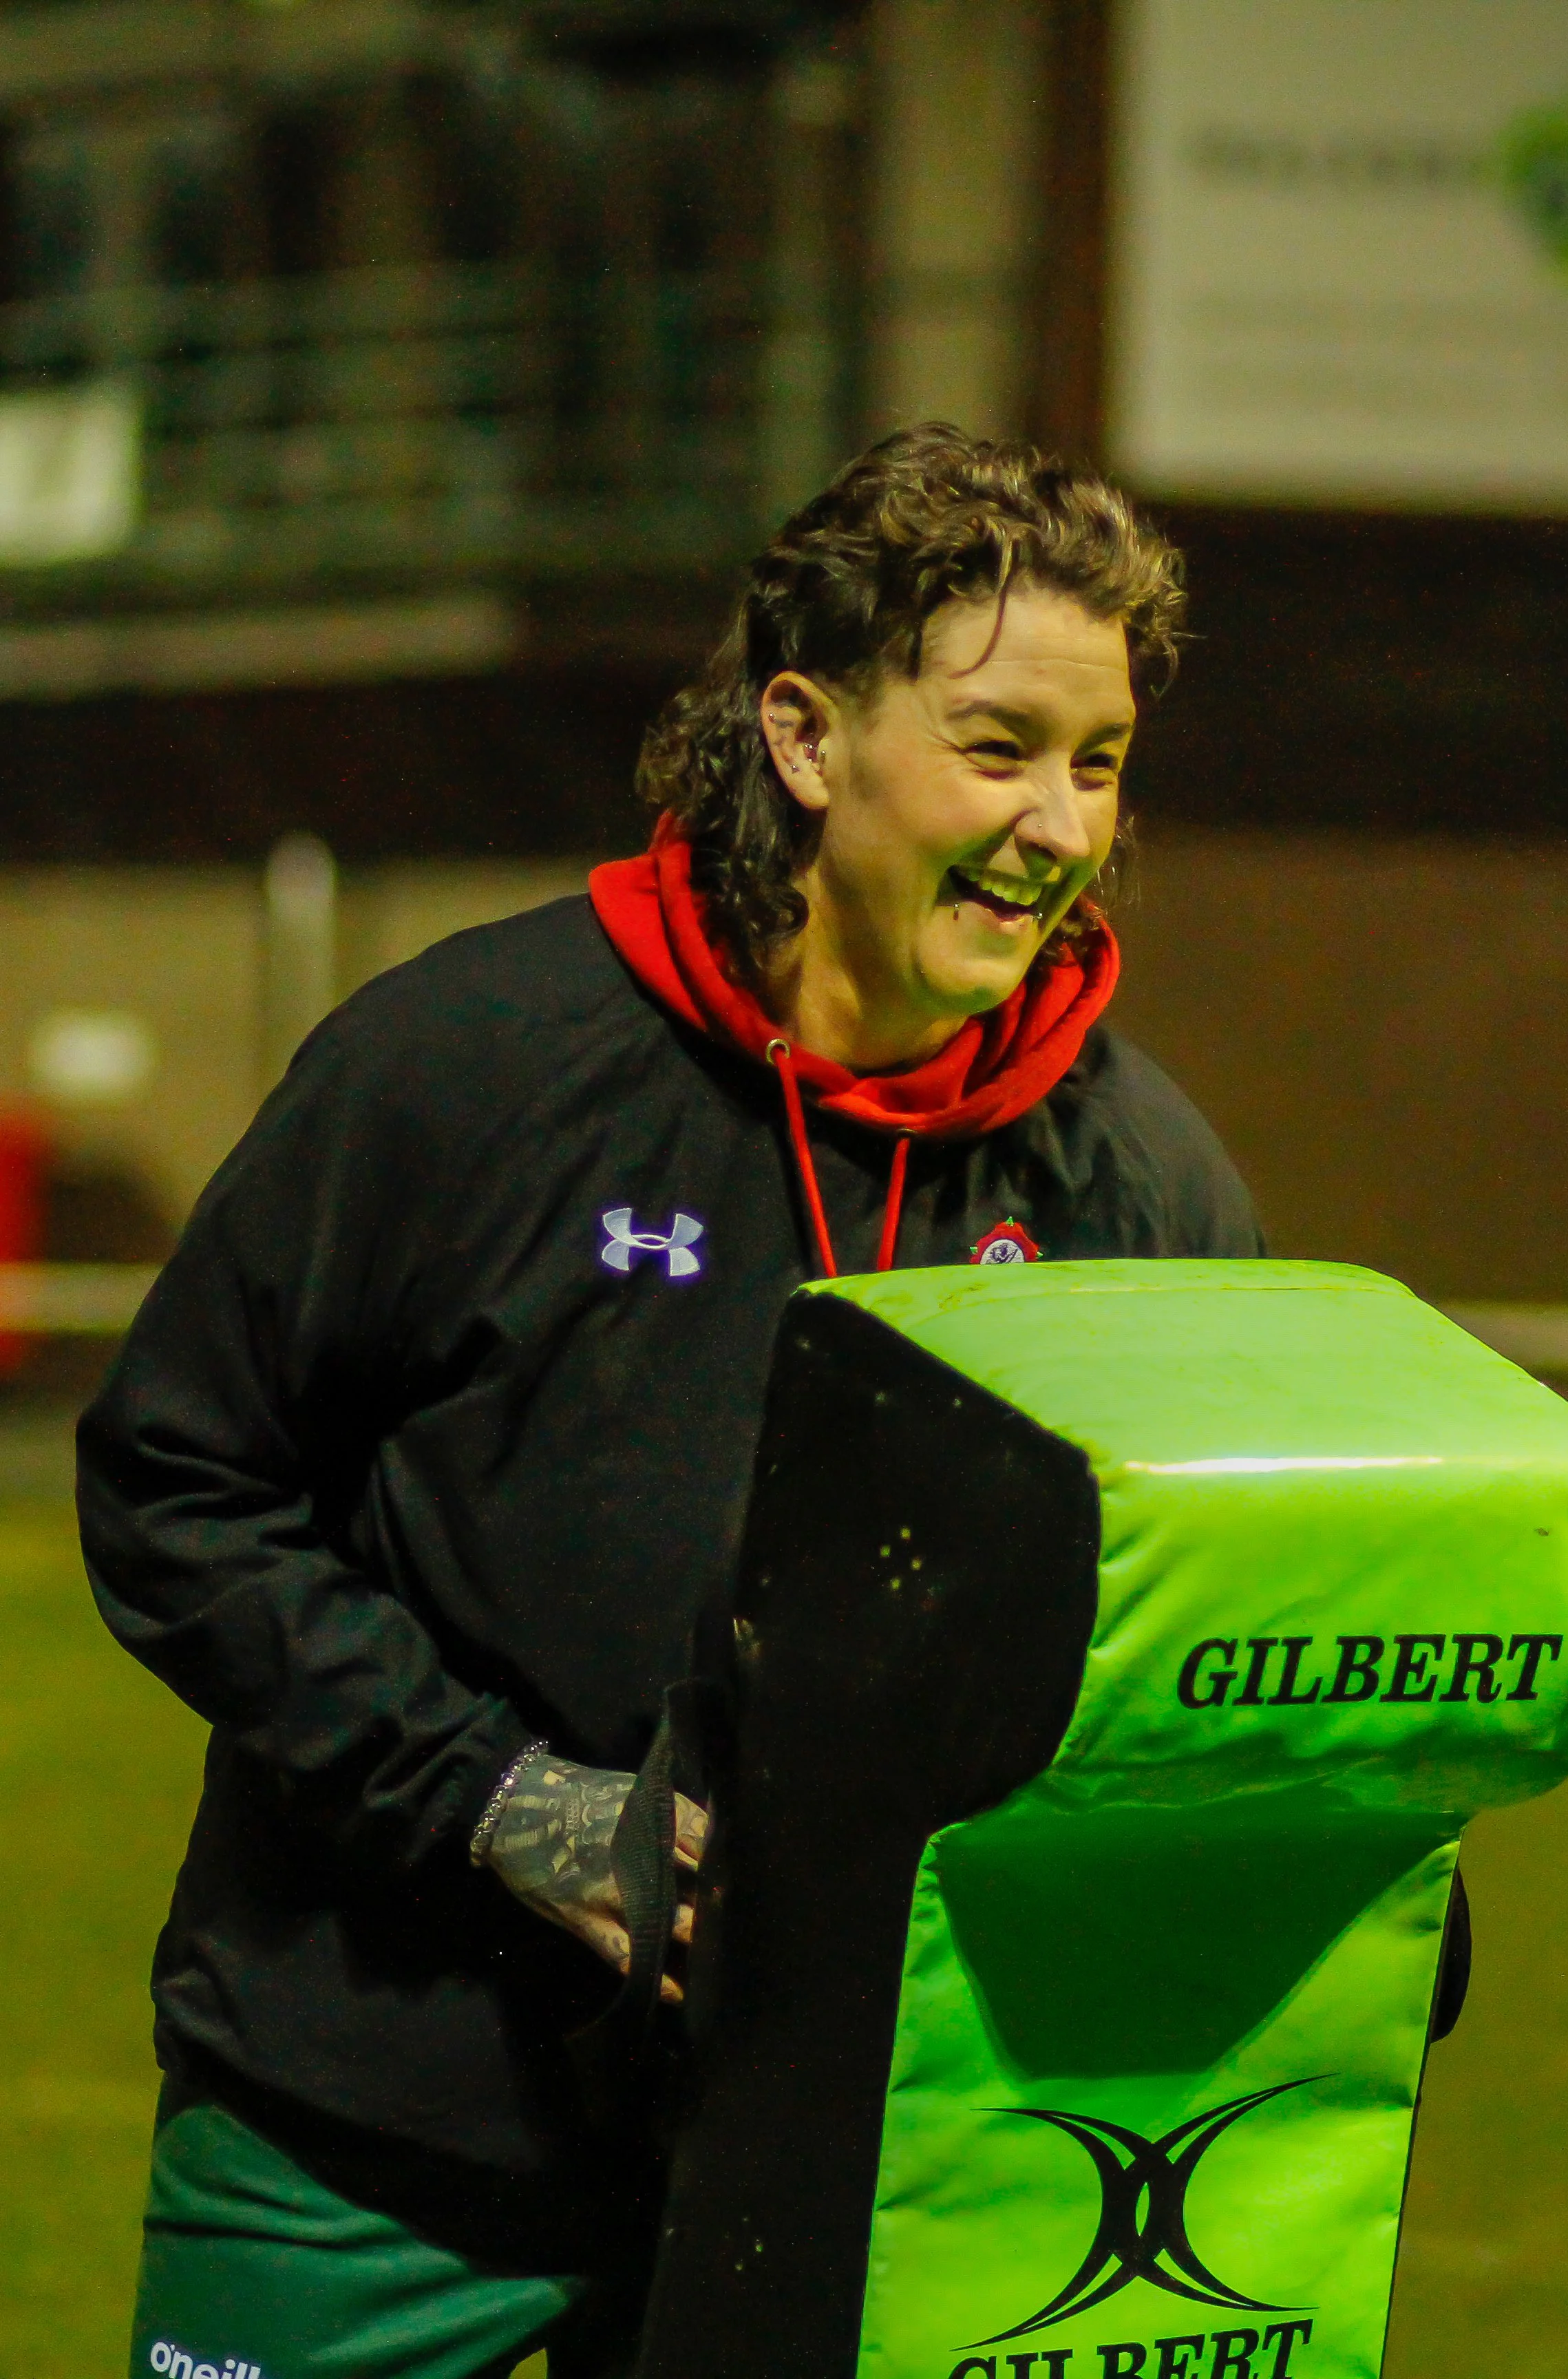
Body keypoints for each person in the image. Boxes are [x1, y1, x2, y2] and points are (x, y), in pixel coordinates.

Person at [80, 424, 1264, 2379]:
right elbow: (177, 1487)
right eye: (998, 747)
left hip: (843, 2163)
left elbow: (1210, 1617)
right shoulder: (469, 1065)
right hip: (372, 2133)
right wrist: (497, 1805)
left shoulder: (1133, 1185)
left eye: (1099, 761)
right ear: (805, 738)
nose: (1060, 823)